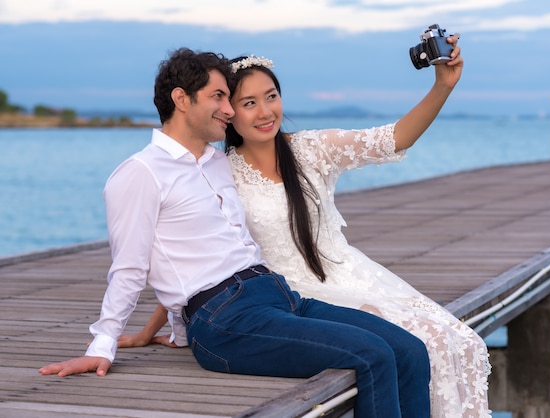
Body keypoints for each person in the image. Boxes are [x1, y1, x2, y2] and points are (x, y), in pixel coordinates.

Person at [38, 47, 433, 418]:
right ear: (181, 99)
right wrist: (102, 344)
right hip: (225, 320)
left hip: (277, 296)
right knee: (373, 354)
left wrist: (172, 331)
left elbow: (201, 249)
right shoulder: (140, 174)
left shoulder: (215, 163)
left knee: (410, 349)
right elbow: (130, 266)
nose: (228, 110)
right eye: (219, 97)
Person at [121, 34, 492, 417]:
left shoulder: (310, 149)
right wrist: (153, 329)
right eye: (248, 103)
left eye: (271, 96)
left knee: (460, 340)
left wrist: (442, 86)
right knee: (412, 341)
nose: (265, 112)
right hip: (283, 295)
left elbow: (393, 139)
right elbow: (198, 260)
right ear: (228, 111)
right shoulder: (220, 173)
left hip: (348, 273)